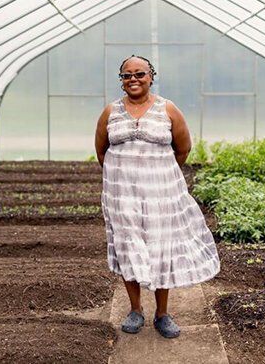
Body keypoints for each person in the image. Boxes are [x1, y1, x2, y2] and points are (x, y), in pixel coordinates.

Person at [94, 55, 220, 339]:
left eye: (140, 74)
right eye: (127, 75)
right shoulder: (110, 112)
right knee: (127, 244)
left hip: (161, 194)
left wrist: (159, 175)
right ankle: (135, 309)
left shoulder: (168, 109)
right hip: (121, 194)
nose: (133, 79)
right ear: (121, 80)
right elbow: (102, 151)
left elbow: (183, 149)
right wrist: (122, 176)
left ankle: (162, 314)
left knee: (162, 247)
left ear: (151, 76)